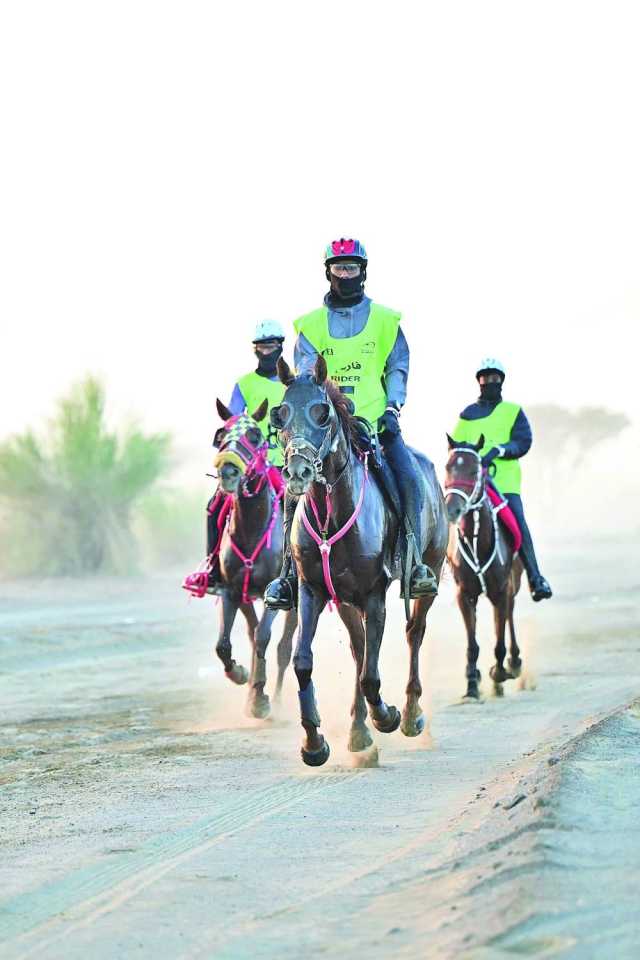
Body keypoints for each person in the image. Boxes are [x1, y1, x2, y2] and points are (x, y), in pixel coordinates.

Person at [264, 237, 438, 611]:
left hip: (376, 423)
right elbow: (307, 377)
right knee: (293, 490)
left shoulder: (386, 320)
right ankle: (287, 575)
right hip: (326, 429)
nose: (346, 274)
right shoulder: (310, 325)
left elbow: (397, 367)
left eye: (352, 268)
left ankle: (413, 562)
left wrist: (393, 407)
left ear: (364, 272)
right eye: (340, 268)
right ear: (328, 273)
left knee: (408, 476)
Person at [451, 357, 553, 601]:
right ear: (479, 381)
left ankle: (536, 579)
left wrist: (499, 450)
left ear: (502, 381)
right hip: (472, 486)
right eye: (485, 378)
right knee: (447, 518)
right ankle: (435, 570)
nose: (490, 382)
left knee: (518, 523)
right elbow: (456, 447)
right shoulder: (467, 414)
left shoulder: (513, 411)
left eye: (495, 379)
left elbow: (523, 441)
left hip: (504, 486)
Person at [204, 320, 287, 593]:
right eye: (262, 347)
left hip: (286, 465)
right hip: (251, 466)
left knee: (300, 510)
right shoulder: (244, 384)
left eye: (271, 346)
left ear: (280, 348)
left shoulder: (293, 381)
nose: (267, 352)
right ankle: (213, 569)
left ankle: (299, 574)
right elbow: (234, 418)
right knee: (215, 506)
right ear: (255, 350)